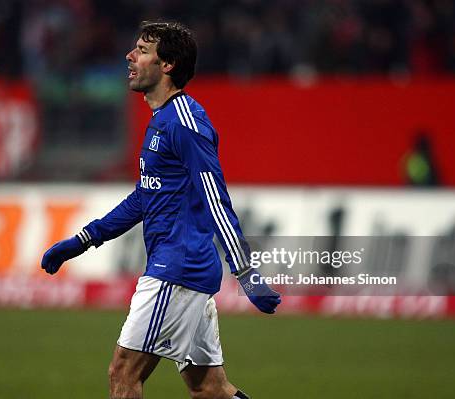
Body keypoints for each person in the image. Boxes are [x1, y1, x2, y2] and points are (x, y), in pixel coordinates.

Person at [41, 21, 281, 399]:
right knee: (210, 390)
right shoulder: (161, 121)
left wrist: (246, 272)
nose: (129, 56)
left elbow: (214, 197)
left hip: (177, 269)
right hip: (183, 270)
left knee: (123, 374)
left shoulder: (185, 123)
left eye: (142, 50)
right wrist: (84, 240)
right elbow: (144, 197)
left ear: (166, 65)